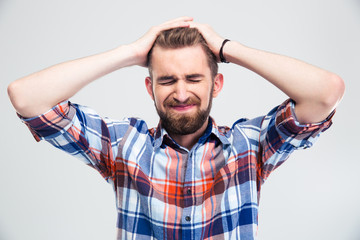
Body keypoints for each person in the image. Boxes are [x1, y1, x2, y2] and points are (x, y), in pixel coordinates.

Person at [7, 17, 344, 239]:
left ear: (217, 85)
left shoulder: (250, 146)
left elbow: (326, 92)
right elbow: (26, 97)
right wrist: (129, 53)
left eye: (194, 78)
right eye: (166, 80)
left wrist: (227, 49)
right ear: (149, 87)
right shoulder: (122, 144)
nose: (181, 93)